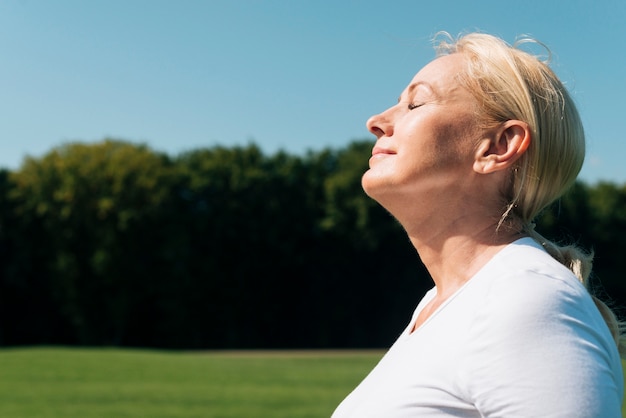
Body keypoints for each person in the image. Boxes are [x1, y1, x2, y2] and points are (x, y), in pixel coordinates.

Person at [332, 32, 624, 417]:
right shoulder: (441, 305)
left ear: (498, 147)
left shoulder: (525, 301)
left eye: (415, 103)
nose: (376, 121)